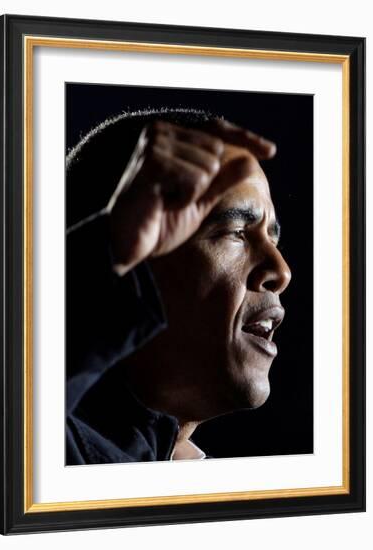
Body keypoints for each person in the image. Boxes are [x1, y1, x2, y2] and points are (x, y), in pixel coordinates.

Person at [66, 108, 291, 465]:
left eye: (272, 240)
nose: (281, 271)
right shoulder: (34, 452)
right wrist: (107, 249)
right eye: (236, 233)